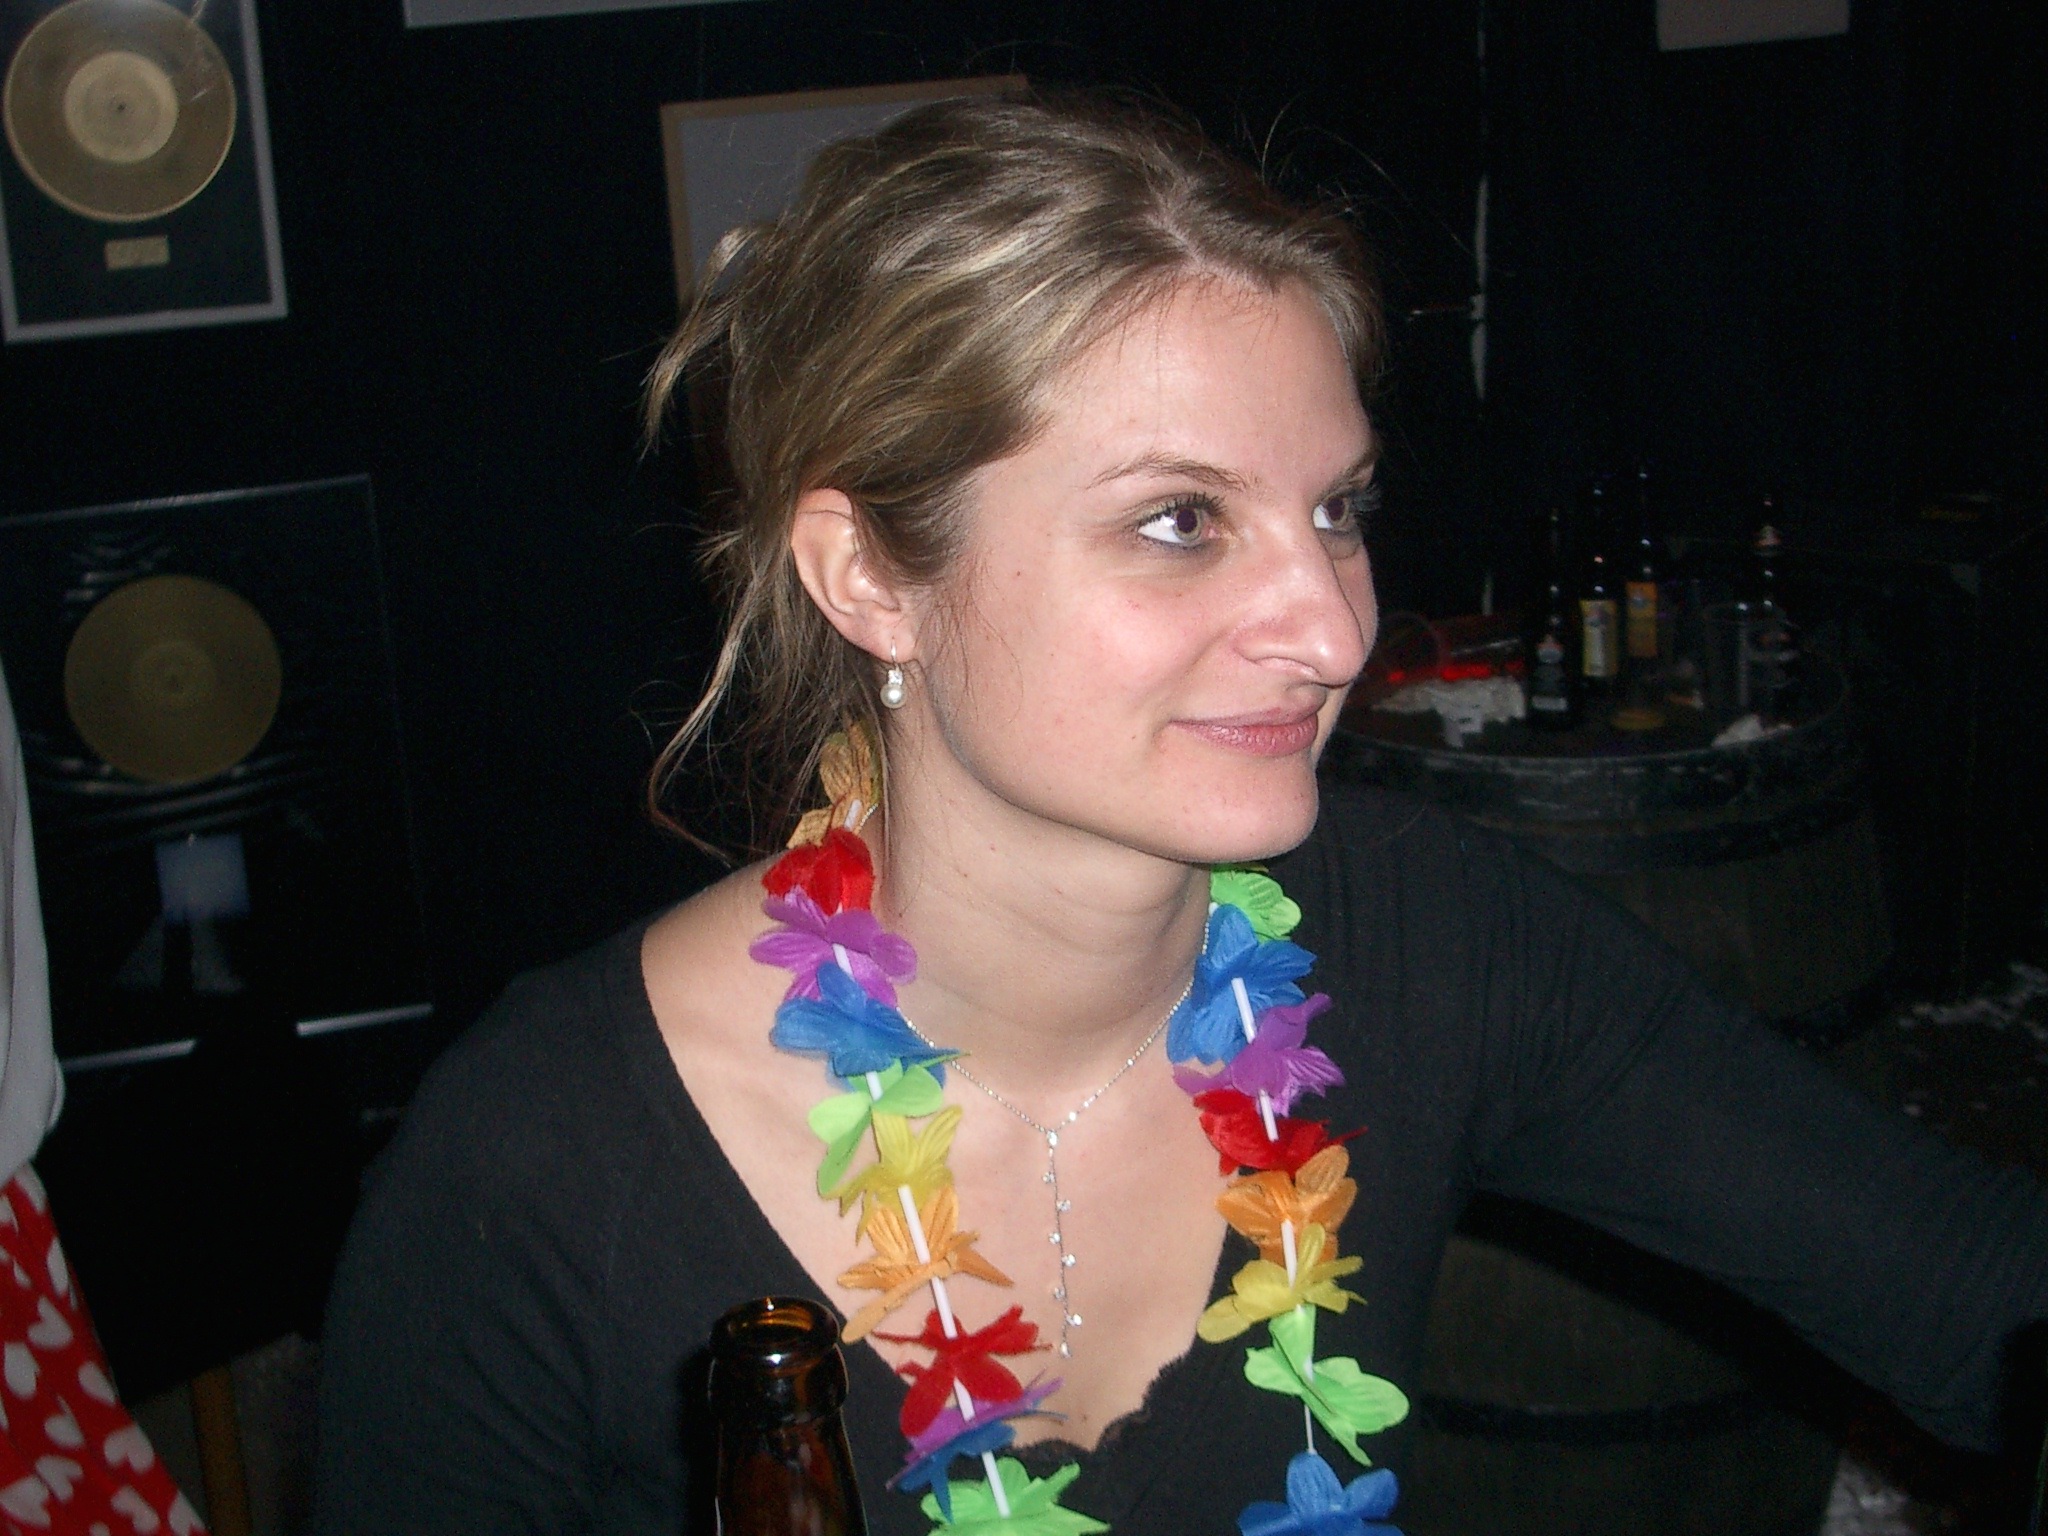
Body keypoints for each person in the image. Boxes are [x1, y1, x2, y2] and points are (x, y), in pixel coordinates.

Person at [313, 95, 2048, 1535]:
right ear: (870, 577)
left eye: (1337, 510)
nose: (1334, 631)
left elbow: (1971, 1289)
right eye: (1180, 521)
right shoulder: (535, 1169)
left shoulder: (1437, 940)